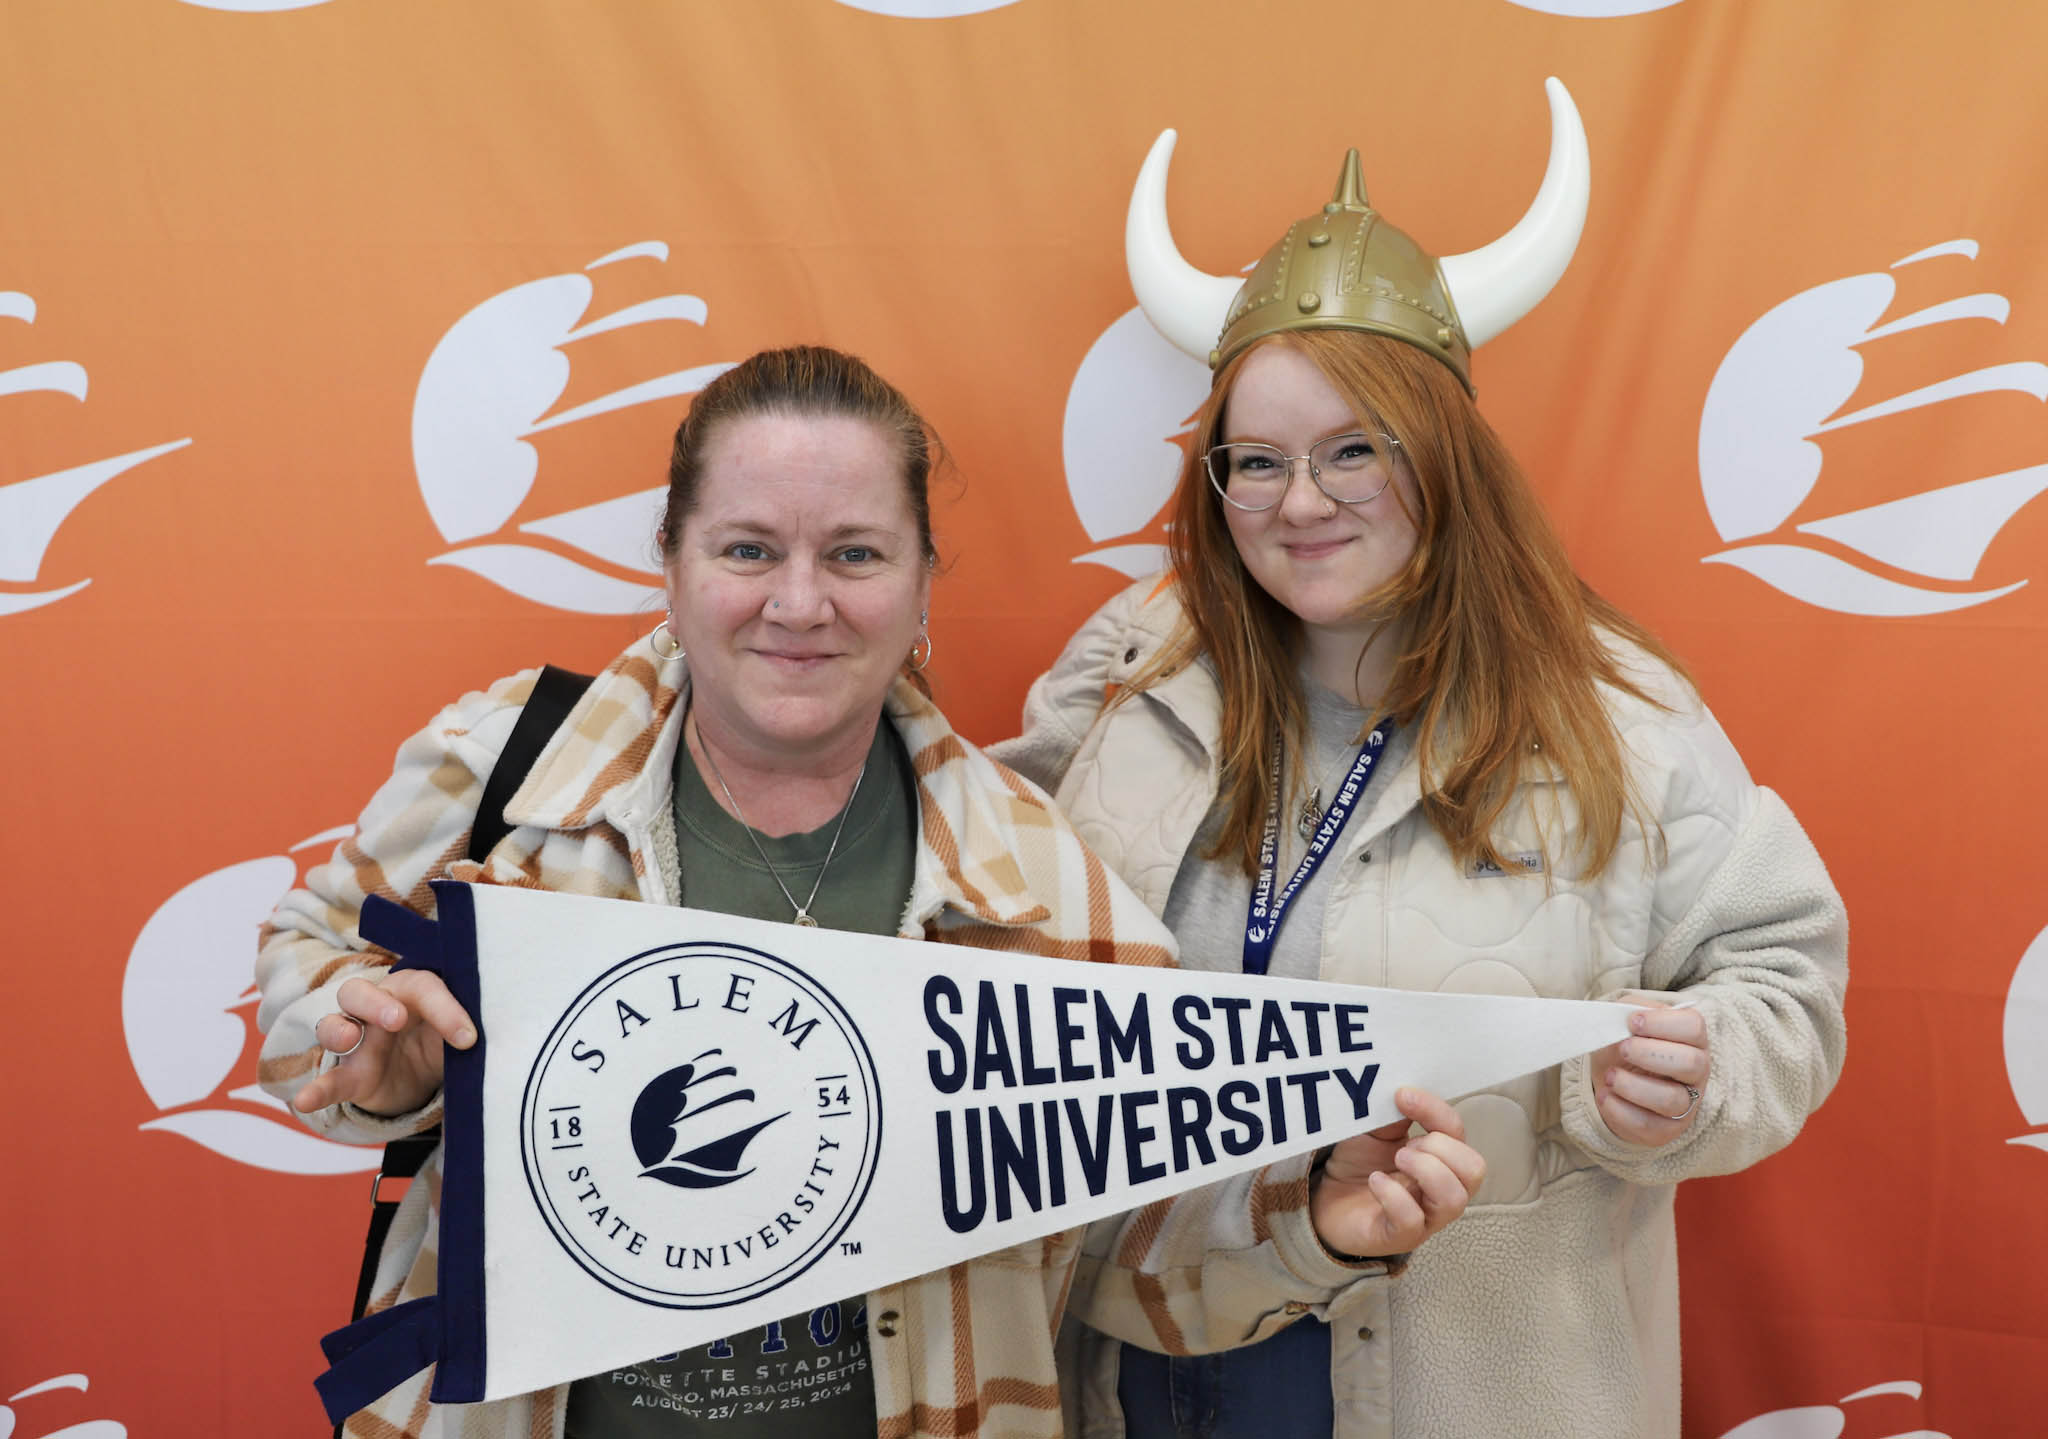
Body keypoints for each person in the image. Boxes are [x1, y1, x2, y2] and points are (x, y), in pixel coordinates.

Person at [255, 345, 1484, 1439]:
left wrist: (1314, 1224)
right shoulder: (506, 772)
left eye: (853, 553)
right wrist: (368, 1045)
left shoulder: (1038, 893)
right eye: (747, 550)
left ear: (920, 582)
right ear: (671, 565)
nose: (799, 603)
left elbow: (1130, 1257)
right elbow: (315, 965)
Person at [993, 83, 1849, 1439]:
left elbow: (1782, 978)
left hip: (1464, 1384)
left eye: (1354, 451)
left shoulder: (1615, 709)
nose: (1302, 501)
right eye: (1255, 460)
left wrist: (1693, 1077)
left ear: (1445, 459)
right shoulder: (1129, 676)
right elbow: (970, 900)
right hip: (1137, 1374)